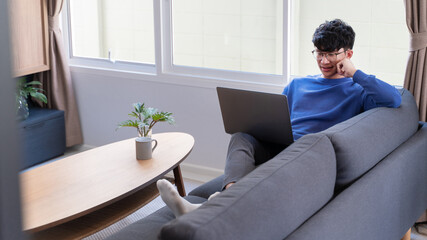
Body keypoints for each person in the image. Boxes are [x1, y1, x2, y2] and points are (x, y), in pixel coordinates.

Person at [156, 19, 402, 217]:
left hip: (310, 155)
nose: (323, 61)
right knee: (241, 136)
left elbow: (394, 99)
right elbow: (277, 117)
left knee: (292, 152)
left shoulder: (358, 90)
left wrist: (355, 73)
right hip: (281, 145)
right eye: (318, 53)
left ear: (348, 54)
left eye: (331, 54)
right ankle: (224, 200)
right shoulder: (298, 83)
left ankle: (205, 210)